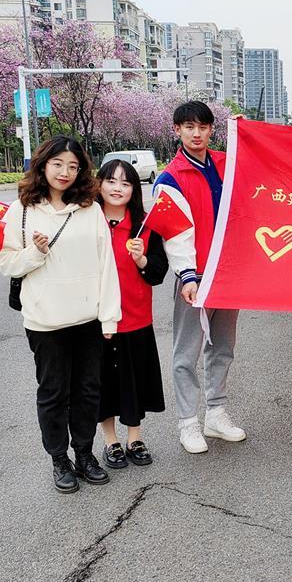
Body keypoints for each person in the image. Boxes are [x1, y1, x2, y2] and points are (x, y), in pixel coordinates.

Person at [0, 136, 121, 494]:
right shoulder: (21, 210)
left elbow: (106, 265)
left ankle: (84, 453)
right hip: (45, 322)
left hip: (88, 320)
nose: (65, 172)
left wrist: (109, 316)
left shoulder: (90, 209)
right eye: (58, 164)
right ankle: (59, 459)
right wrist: (35, 253)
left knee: (87, 391)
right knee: (53, 393)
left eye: (73, 166)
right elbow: (6, 263)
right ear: (43, 164)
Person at [154, 101, 245, 454]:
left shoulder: (226, 164)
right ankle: (188, 421)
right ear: (176, 130)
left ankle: (216, 413)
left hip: (228, 274)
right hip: (195, 277)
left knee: (222, 347)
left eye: (203, 127)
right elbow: (175, 232)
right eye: (189, 127)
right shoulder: (170, 179)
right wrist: (187, 276)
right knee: (186, 352)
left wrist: (246, 134)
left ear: (211, 130)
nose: (196, 134)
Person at [96, 159, 168, 469]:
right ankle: (110, 441)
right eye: (111, 181)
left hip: (136, 317)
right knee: (104, 383)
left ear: (134, 190)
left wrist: (141, 260)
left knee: (134, 380)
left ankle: (134, 438)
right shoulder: (87, 222)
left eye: (125, 183)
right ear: (99, 184)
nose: (117, 188)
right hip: (98, 318)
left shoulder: (145, 227)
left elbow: (158, 273)